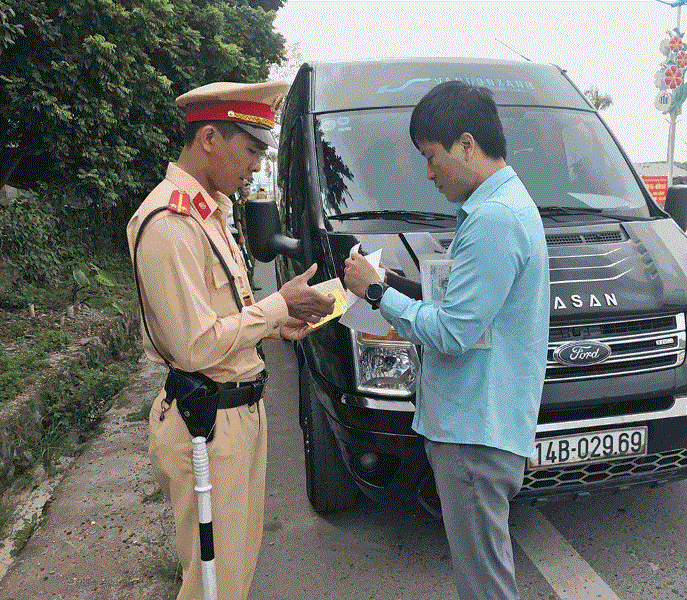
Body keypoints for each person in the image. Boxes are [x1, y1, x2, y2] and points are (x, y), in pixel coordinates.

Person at [126, 80, 335, 600]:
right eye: (250, 150)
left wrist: (275, 325)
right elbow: (195, 345)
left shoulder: (212, 211)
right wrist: (278, 305)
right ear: (209, 139)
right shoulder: (171, 222)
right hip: (206, 423)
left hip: (237, 413)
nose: (255, 167)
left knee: (235, 571)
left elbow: (226, 318)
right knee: (212, 584)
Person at [344, 80, 550, 600]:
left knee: (485, 585)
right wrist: (395, 286)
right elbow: (467, 307)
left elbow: (455, 333)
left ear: (466, 145)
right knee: (484, 574)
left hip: (474, 431)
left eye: (431, 157)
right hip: (481, 424)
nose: (429, 173)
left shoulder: (493, 219)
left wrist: (376, 294)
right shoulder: (503, 206)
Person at [231, 176, 258, 288]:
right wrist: (241, 236)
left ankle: (251, 283)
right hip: (245, 235)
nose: (247, 191)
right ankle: (249, 285)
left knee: (253, 259)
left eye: (248, 189)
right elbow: (238, 221)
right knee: (248, 260)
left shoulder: (250, 203)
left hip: (252, 234)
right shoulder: (238, 204)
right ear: (240, 191)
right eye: (245, 189)